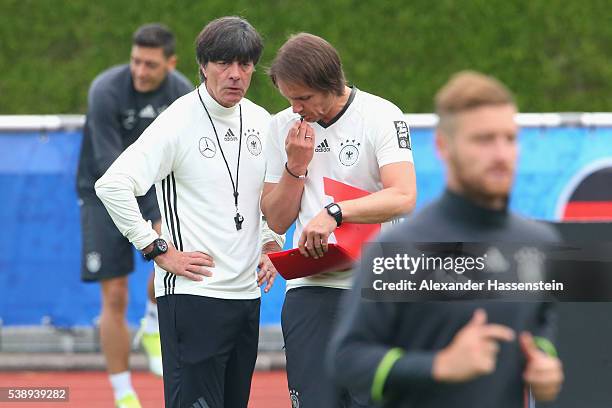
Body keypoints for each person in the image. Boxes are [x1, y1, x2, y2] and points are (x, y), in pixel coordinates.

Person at [330, 71, 564, 407]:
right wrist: (439, 366)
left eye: (509, 139)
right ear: (443, 146)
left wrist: (543, 364)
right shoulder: (397, 250)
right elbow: (347, 360)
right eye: (483, 140)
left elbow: (540, 327)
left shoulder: (538, 244)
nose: (501, 154)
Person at [95, 16, 283, 408]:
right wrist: (156, 248)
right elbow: (112, 185)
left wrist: (270, 240)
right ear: (202, 65)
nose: (235, 75)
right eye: (223, 64)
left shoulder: (265, 123)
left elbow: (264, 202)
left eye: (245, 64)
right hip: (192, 297)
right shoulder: (178, 121)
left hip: (248, 298)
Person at [262, 33, 417, 407]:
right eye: (289, 99)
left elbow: (403, 195)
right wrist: (295, 166)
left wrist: (336, 213)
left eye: (304, 98)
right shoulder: (281, 126)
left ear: (331, 83)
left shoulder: (381, 115)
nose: (296, 108)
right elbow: (277, 219)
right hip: (310, 291)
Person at [76, 23, 193, 407]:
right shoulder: (106, 90)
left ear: (170, 63)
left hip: (156, 191)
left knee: (169, 257)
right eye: (135, 61)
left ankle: (152, 322)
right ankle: (123, 393)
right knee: (114, 294)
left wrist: (159, 218)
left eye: (151, 65)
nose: (141, 71)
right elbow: (112, 170)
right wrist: (146, 225)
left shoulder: (181, 93)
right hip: (103, 190)